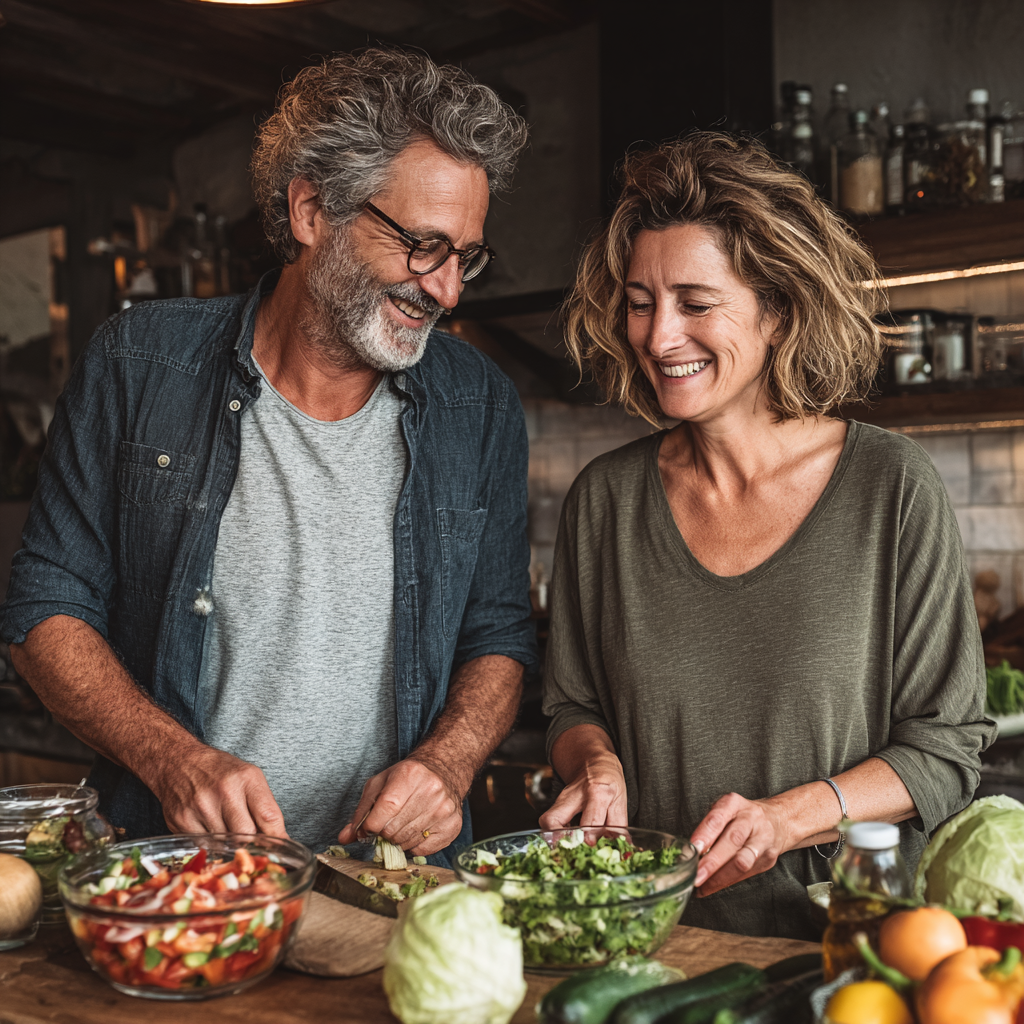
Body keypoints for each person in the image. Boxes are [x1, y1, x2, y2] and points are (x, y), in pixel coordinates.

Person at [1, 48, 535, 867]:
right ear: (312, 211)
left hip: (395, 890)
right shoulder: (140, 363)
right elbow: (42, 609)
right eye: (424, 246)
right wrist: (171, 760)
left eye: (466, 256)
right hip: (178, 880)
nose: (448, 290)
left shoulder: (479, 403)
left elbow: (497, 633)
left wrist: (448, 762)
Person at [539, 133, 994, 938]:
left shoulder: (891, 488)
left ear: (777, 309)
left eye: (695, 302)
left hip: (850, 945)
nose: (658, 335)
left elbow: (945, 750)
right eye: (641, 303)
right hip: (650, 939)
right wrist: (596, 762)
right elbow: (573, 702)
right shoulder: (604, 503)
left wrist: (787, 820)